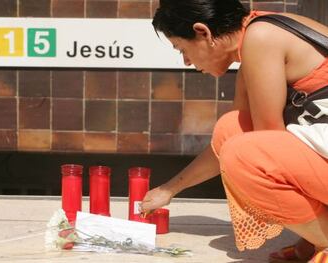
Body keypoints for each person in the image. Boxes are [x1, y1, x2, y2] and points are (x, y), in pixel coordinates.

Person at [140, 0, 328, 262]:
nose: (186, 62)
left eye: (182, 49)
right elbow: (231, 141)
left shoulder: (261, 38)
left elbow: (267, 146)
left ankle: (324, 240)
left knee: (247, 155)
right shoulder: (258, 32)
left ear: (203, 32)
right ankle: (317, 238)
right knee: (232, 129)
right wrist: (169, 189)